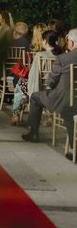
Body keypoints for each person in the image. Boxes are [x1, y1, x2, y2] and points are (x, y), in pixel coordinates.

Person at [22, 29, 77, 160]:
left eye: (69, 41)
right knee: (69, 109)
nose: (68, 43)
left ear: (73, 42)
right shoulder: (63, 56)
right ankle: (73, 148)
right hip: (74, 101)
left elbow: (52, 80)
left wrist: (48, 87)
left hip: (64, 100)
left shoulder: (63, 58)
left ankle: (34, 133)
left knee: (35, 96)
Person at [11, 30, 62, 125]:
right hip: (56, 87)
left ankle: (16, 114)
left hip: (41, 86)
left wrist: (32, 92)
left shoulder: (40, 55)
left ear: (45, 41)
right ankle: (48, 115)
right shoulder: (62, 55)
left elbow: (33, 76)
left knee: (20, 84)